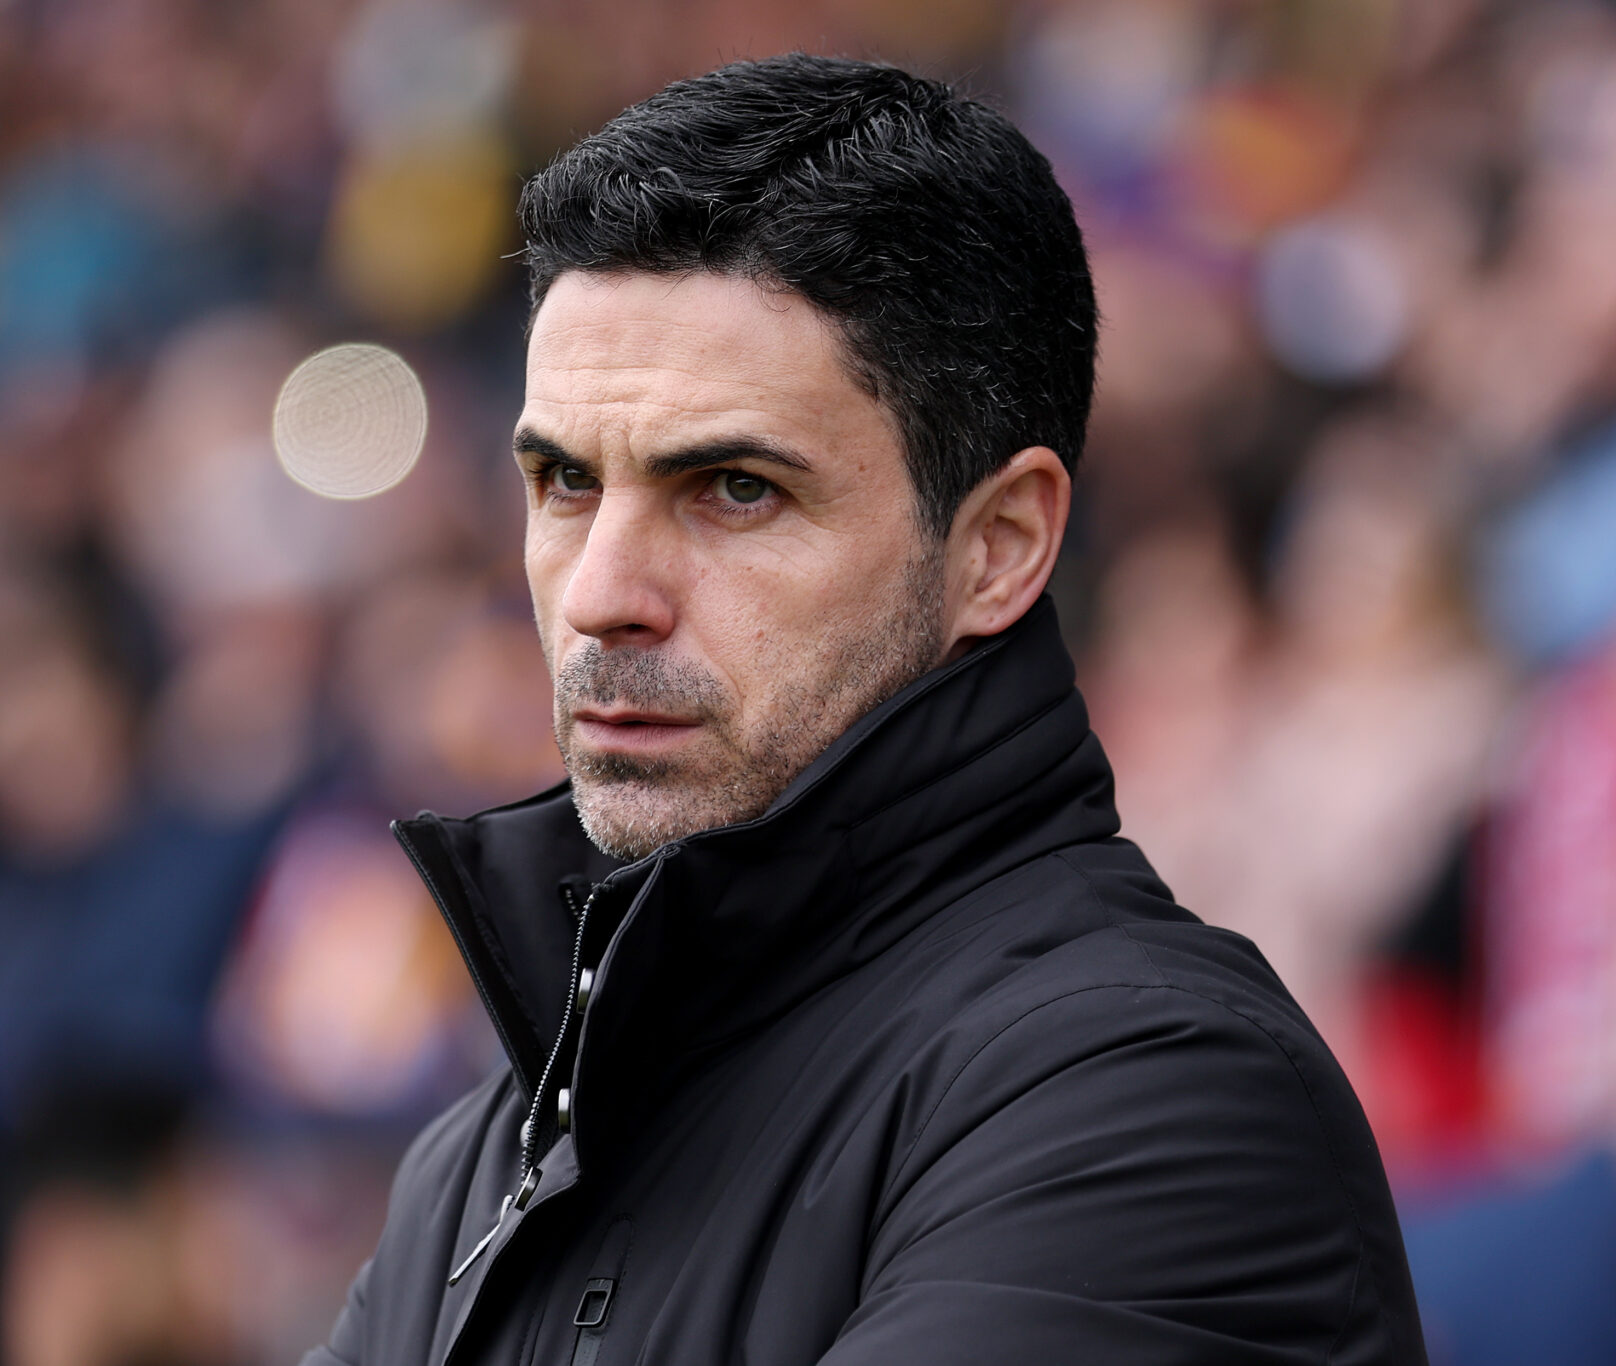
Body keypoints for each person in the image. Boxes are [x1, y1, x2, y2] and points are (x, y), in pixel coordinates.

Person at [304, 55, 1426, 1366]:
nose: (601, 592)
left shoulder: (1153, 1095)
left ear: (1000, 545)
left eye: (732, 489)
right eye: (564, 481)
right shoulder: (485, 1157)